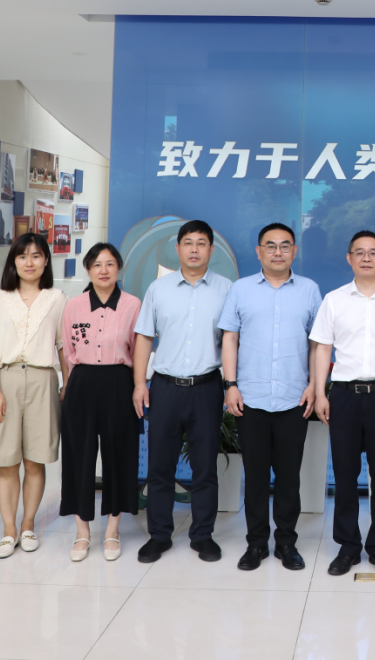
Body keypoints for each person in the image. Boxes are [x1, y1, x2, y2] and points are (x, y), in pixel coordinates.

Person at [310, 230, 375, 577]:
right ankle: (348, 547)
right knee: (344, 474)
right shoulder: (334, 300)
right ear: (349, 258)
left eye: (373, 252)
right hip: (344, 395)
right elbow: (323, 348)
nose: (367, 258)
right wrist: (320, 392)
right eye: (360, 252)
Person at [220, 223, 322, 572]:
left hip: (294, 398)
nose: (278, 252)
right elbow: (230, 338)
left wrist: (314, 385)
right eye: (270, 246)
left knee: (289, 477)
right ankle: (256, 544)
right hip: (250, 398)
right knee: (256, 476)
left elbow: (317, 343)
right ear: (259, 251)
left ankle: (287, 543)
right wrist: (230, 384)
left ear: (294, 251)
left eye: (285, 246)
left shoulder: (309, 290)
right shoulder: (241, 289)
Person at [132, 220, 233, 564]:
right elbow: (144, 337)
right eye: (188, 243)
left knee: (204, 467)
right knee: (160, 466)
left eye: (201, 243)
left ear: (211, 250)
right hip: (165, 387)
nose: (194, 249)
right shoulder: (158, 289)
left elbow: (232, 342)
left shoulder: (226, 289)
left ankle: (202, 535)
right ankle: (159, 535)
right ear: (177, 248)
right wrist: (139, 384)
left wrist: (231, 385)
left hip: (206, 388)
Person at [0, 233, 68, 558]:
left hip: (44, 380)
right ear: (13, 262)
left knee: (35, 460)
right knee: (6, 461)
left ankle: (28, 524)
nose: (29, 262)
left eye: (36, 256)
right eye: (22, 256)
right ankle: (9, 530)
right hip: (7, 380)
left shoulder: (58, 298)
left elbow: (63, 347)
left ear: (46, 261)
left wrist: (67, 385)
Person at [58, 243, 142, 562]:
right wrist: (69, 385)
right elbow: (68, 350)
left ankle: (112, 530)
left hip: (119, 381)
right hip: (82, 382)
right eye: (96, 264)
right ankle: (82, 532)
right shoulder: (74, 305)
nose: (103, 270)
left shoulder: (133, 305)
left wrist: (137, 385)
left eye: (109, 264)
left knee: (118, 455)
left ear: (119, 268)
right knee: (78, 456)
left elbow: (138, 348)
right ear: (88, 270)